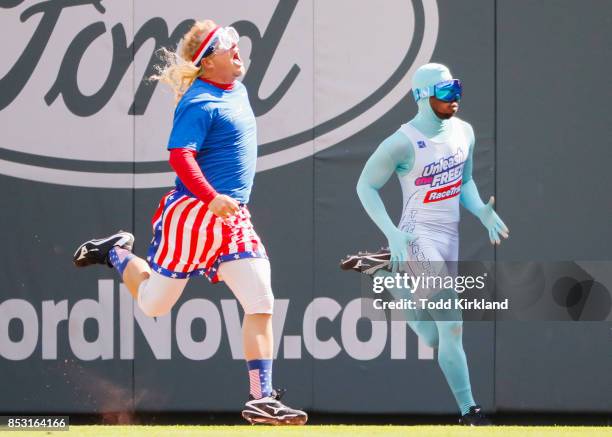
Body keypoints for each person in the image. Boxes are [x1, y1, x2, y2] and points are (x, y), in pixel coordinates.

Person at [73, 19, 307, 426]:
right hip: (195, 214)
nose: (238, 50)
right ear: (208, 62)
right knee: (153, 304)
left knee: (261, 300)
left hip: (231, 215)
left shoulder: (236, 87)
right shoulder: (200, 102)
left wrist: (222, 202)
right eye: (227, 46)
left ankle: (261, 398)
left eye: (235, 43)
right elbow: (180, 156)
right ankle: (115, 252)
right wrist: (211, 197)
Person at [341, 63, 508, 425]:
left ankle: (388, 275)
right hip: (417, 236)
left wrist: (480, 210)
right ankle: (470, 413)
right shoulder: (402, 142)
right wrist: (392, 233)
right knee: (453, 326)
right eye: (446, 92)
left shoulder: (464, 132)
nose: (455, 99)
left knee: (433, 337)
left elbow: (463, 183)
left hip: (450, 236)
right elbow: (365, 185)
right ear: (422, 96)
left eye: (457, 89)